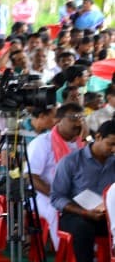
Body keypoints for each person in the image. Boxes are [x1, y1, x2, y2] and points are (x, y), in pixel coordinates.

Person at [50, 119, 115, 262]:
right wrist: (84, 212)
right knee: (83, 230)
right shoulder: (71, 161)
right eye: (111, 144)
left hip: (106, 215)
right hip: (76, 214)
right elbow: (57, 198)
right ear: (98, 137)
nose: (113, 149)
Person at [28, 103, 87, 246]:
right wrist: (57, 195)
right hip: (44, 194)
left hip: (75, 193)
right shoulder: (42, 143)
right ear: (58, 119)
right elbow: (31, 177)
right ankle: (63, 248)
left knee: (101, 208)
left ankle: (94, 250)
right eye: (73, 118)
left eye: (81, 118)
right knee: (56, 209)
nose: (79, 122)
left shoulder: (81, 144)